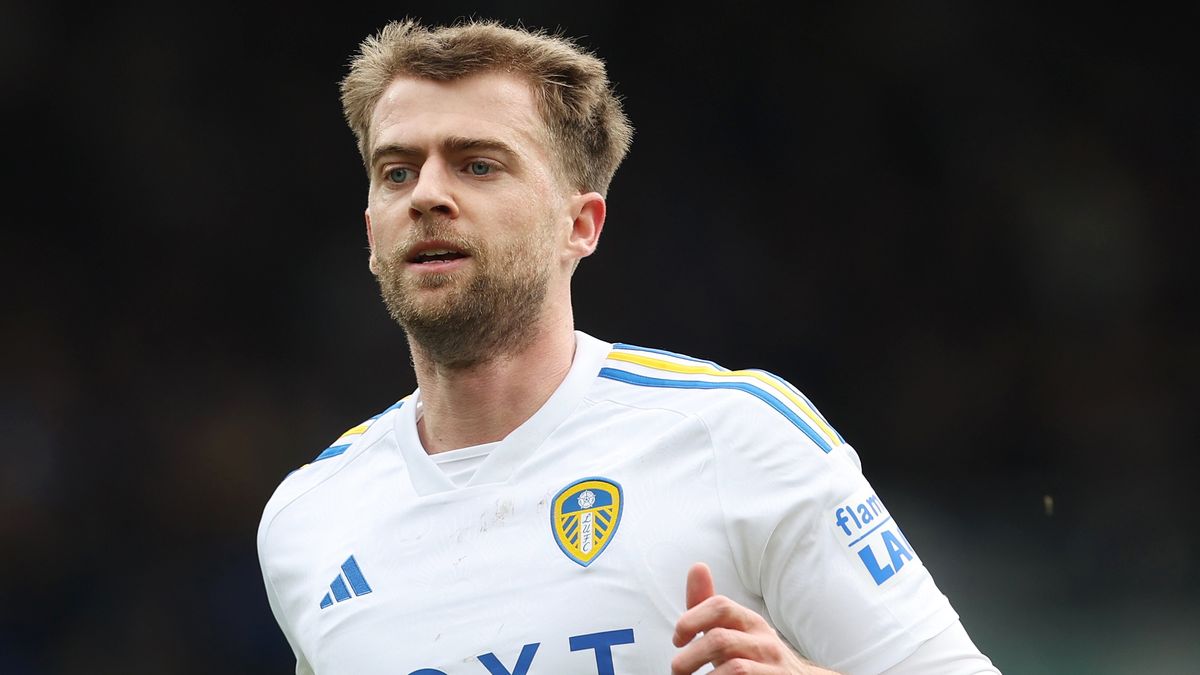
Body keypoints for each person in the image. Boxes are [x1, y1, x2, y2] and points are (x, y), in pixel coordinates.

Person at [256, 17, 1001, 675]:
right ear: (371, 233)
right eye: (397, 171)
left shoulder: (736, 434)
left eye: (478, 164)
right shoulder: (309, 519)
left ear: (580, 225)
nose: (426, 194)